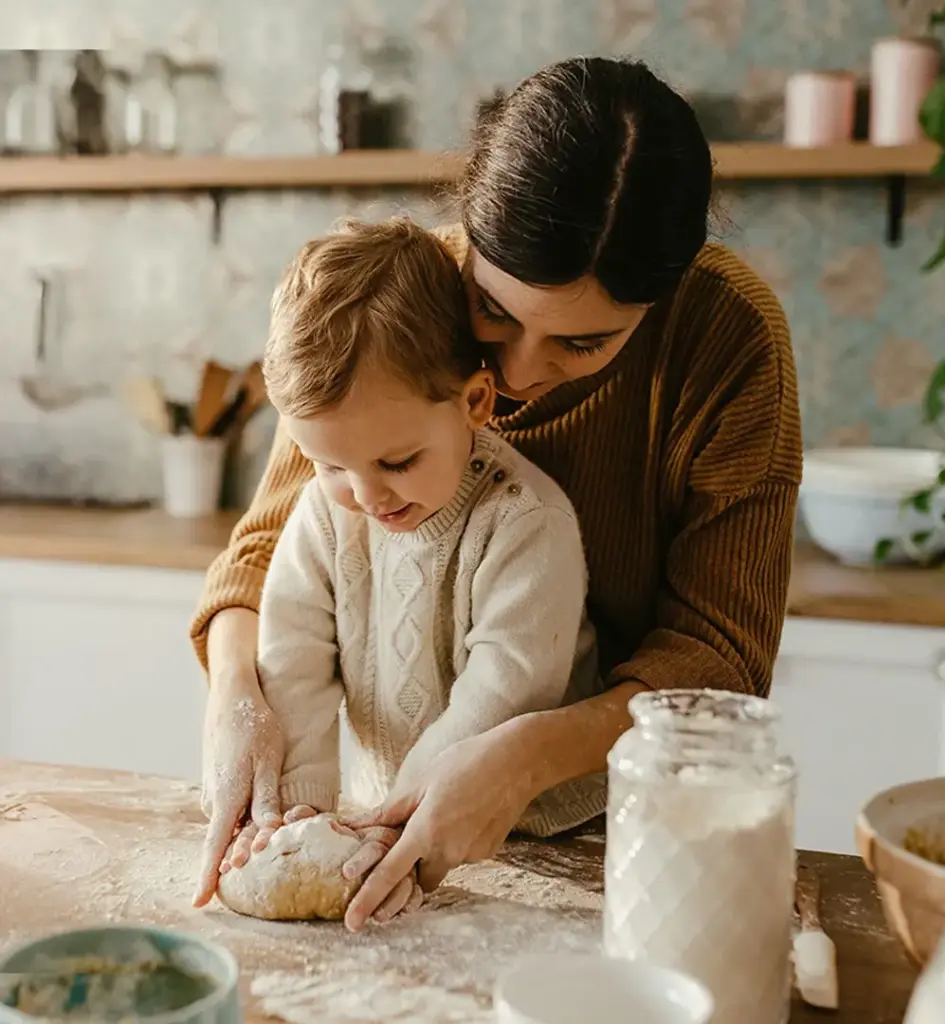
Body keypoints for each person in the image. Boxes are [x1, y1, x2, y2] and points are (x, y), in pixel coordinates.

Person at [191, 56, 802, 931]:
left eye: (582, 344)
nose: (513, 375)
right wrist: (236, 697)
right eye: (495, 311)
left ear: (662, 299)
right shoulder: (401, 300)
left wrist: (523, 754)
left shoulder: (727, 336)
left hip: (619, 818)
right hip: (392, 807)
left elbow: (720, 658)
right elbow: (271, 550)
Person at [236, 217, 603, 896]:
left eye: (398, 462)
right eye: (330, 465)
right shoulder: (325, 512)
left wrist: (397, 821)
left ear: (475, 401)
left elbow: (503, 689)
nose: (365, 496)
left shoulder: (525, 521)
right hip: (388, 815)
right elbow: (293, 654)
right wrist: (301, 808)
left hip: (546, 833)